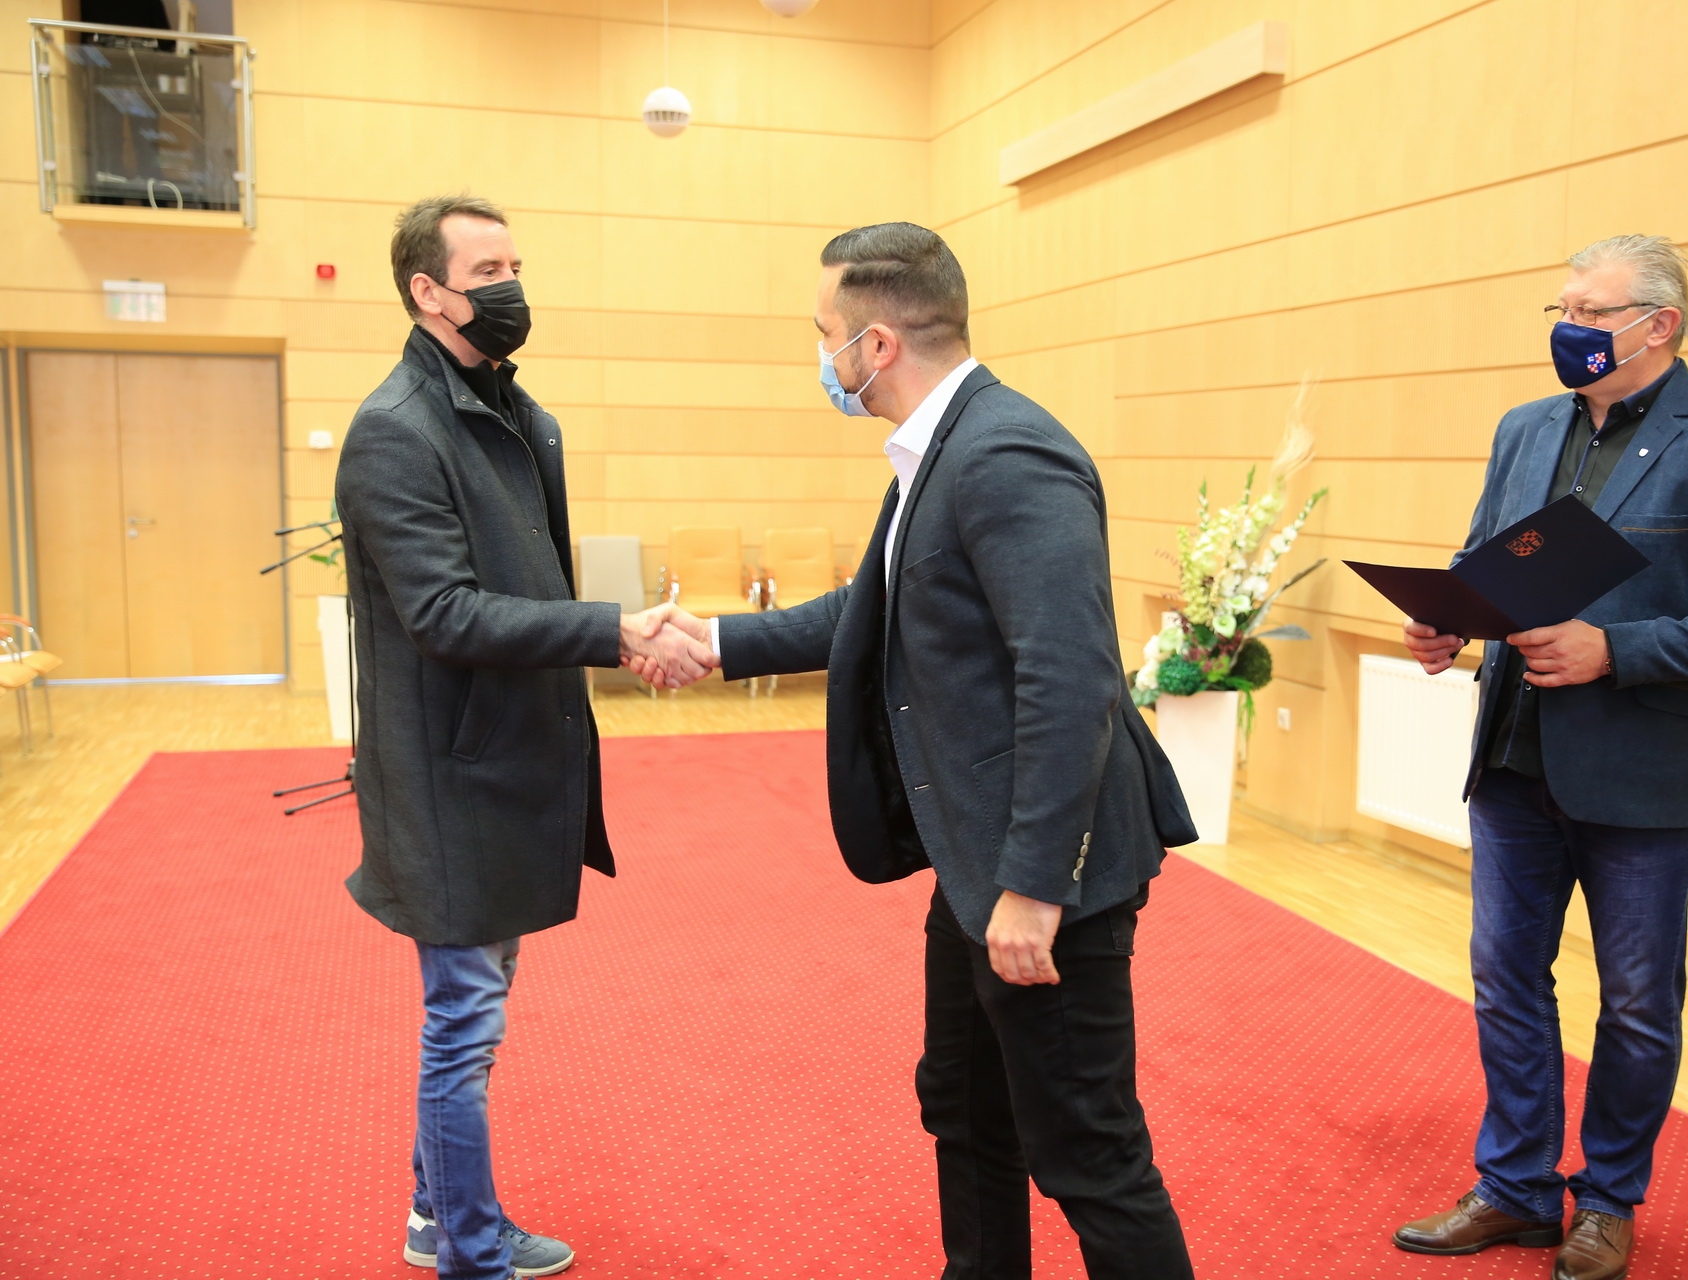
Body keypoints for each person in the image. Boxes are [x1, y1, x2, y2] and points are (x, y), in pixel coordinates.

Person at [639, 222, 1199, 1280]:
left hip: (1046, 865)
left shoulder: (1007, 454)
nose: (823, 358)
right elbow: (877, 606)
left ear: (879, 345)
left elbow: (1071, 677)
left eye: (825, 336)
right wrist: (716, 640)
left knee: (1088, 1149)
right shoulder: (936, 450)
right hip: (973, 851)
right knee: (966, 1104)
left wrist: (1034, 885)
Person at [1393, 235, 1688, 1280]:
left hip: (1645, 772)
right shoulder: (1524, 428)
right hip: (1514, 757)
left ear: (1658, 325)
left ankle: (1610, 1200)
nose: (1568, 327)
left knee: (1635, 1001)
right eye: (1563, 308)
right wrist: (1448, 620)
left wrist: (1616, 650)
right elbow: (1488, 560)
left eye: (1591, 310)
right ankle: (1517, 1187)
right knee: (1505, 980)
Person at [334, 194, 711, 1280]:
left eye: (515, 266)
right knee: (464, 1024)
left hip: (507, 757)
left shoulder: (512, 410)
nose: (511, 287)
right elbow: (445, 613)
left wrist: (613, 636)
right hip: (446, 773)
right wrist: (611, 630)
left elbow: (528, 585)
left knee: (473, 1012)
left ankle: (435, 1215)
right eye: (487, 271)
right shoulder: (397, 429)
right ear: (428, 291)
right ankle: (471, 1252)